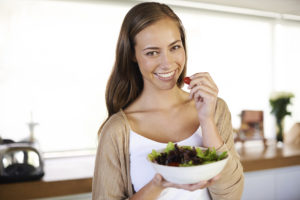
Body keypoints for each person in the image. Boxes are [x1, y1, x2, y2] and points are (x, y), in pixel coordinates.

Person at [92, 2, 244, 200]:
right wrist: (158, 184)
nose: (168, 63)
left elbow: (232, 196)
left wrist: (206, 120)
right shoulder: (117, 130)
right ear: (132, 54)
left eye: (174, 47)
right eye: (152, 52)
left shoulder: (215, 109)